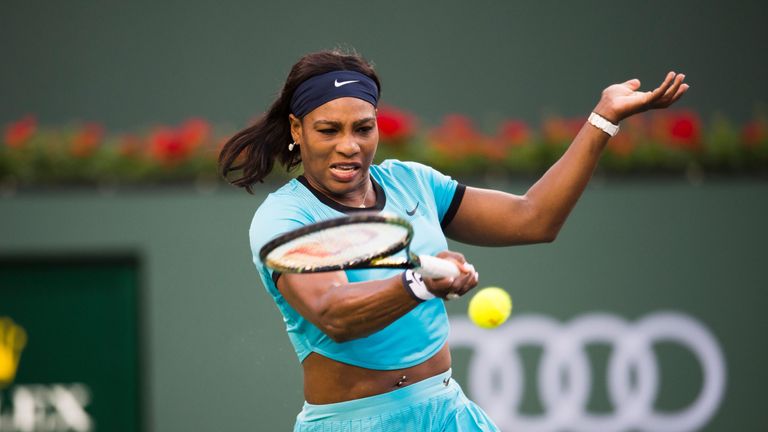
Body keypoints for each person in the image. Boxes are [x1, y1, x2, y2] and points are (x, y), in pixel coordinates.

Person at [218, 49, 688, 431]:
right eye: (328, 130)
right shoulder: (285, 217)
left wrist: (603, 119)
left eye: (363, 128)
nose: (350, 145)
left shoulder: (412, 183)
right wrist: (419, 282)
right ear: (297, 130)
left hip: (448, 414)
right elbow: (333, 312)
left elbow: (533, 219)